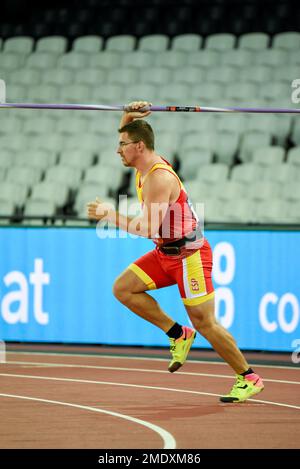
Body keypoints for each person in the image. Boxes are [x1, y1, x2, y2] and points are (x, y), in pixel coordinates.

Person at [87, 101, 264, 403]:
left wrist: (109, 214)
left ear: (139, 146)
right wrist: (130, 113)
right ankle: (177, 334)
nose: (117, 149)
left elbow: (146, 230)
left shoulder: (158, 177)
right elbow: (128, 131)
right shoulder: (143, 162)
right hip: (165, 253)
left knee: (205, 323)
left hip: (188, 257)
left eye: (122, 145)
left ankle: (248, 377)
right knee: (124, 289)